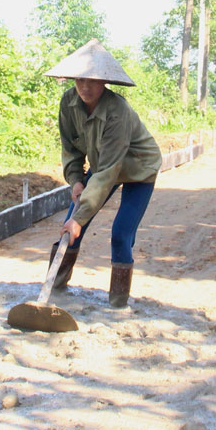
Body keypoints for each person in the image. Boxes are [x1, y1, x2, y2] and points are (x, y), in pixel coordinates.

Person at [42, 39, 162, 307]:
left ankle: (117, 304)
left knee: (120, 233)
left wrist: (79, 217)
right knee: (70, 230)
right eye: (81, 79)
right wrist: (75, 180)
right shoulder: (69, 102)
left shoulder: (117, 110)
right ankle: (54, 291)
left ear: (105, 82)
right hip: (103, 165)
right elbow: (70, 146)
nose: (85, 86)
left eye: (93, 81)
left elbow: (108, 171)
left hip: (138, 168)